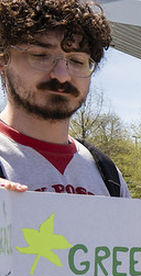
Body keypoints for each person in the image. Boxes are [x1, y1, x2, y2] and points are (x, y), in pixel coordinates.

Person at [0, 0, 129, 197]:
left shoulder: (108, 176)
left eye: (77, 61)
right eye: (41, 55)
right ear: (3, 60)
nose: (62, 75)